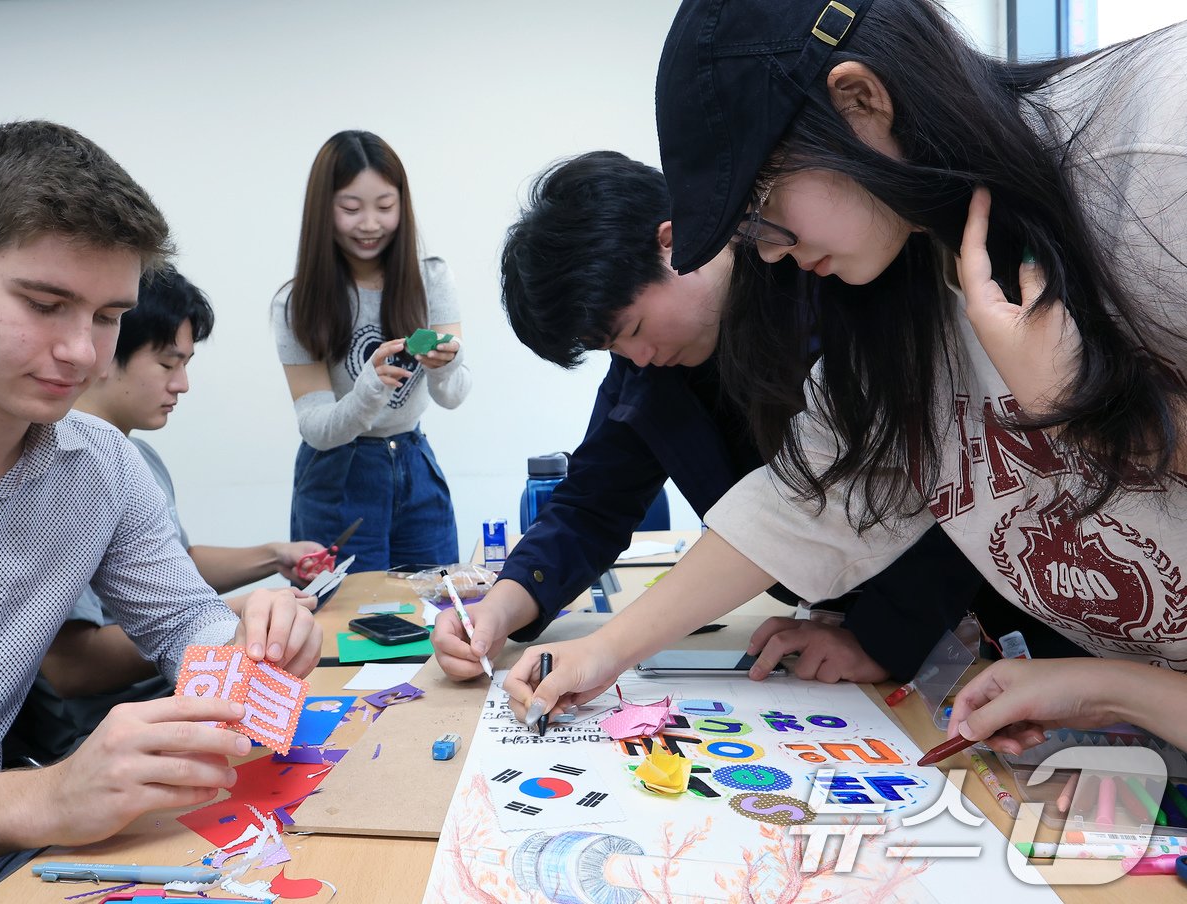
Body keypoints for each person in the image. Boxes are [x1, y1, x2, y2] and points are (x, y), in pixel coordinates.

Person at [506, 0, 1187, 752]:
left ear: (859, 101)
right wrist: (607, 649)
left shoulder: (1156, 147)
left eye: (763, 204)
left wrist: (1081, 409)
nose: (765, 253)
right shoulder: (904, 286)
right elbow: (807, 499)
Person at [0, 120, 320, 903]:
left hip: (2, 874)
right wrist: (48, 797)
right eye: (46, 304)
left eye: (108, 317)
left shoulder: (105, 466)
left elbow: (183, 626)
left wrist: (251, 642)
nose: (82, 352)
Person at [432, 150, 998, 686]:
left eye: (631, 330)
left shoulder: (826, 281)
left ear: (670, 243)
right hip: (832, 626)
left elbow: (954, 474)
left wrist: (882, 635)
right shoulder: (650, 366)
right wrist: (503, 604)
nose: (639, 357)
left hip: (969, 614)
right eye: (614, 349)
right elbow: (591, 504)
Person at [6, 267, 324, 765]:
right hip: (110, 729)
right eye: (168, 363)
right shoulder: (55, 473)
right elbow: (74, 666)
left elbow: (176, 576)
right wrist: (236, 614)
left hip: (172, 694)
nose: (183, 384)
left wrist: (272, 558)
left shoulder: (135, 460)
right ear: (107, 352)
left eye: (187, 363)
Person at [272, 130, 470, 573]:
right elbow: (315, 428)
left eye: (385, 206)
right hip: (337, 475)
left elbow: (454, 394)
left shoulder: (431, 280)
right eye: (350, 208)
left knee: (434, 614)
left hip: (414, 463)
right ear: (323, 210)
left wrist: (446, 364)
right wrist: (368, 390)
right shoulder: (296, 303)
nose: (369, 224)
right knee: (339, 629)